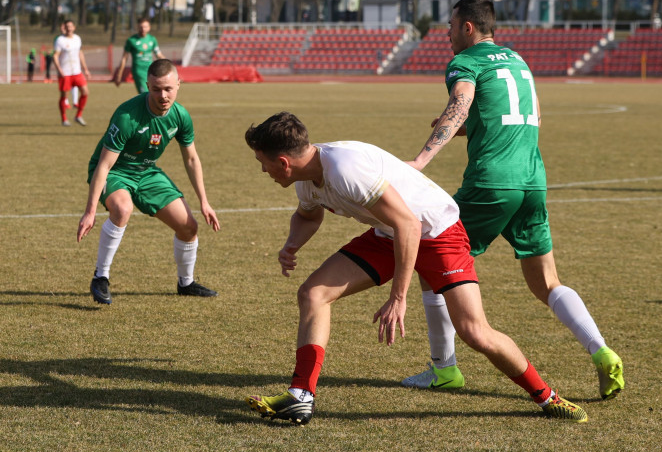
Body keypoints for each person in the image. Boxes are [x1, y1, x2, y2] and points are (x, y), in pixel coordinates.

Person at [242, 112, 588, 426]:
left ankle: (547, 396)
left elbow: (410, 224)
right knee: (314, 294)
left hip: (438, 233)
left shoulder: (345, 168)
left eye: (263, 163)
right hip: (390, 233)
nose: (263, 170)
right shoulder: (306, 178)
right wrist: (292, 244)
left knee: (475, 332)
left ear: (284, 162)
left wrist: (399, 297)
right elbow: (308, 215)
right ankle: (301, 397)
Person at [405, 0, 623, 400]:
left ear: (467, 27)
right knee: (547, 282)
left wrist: (421, 159)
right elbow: (530, 116)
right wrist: (466, 130)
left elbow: (461, 103)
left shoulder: (464, 63)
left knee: (430, 256)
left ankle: (444, 370)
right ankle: (602, 351)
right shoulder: (517, 61)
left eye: (451, 26)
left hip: (491, 184)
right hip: (532, 182)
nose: (448, 34)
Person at [77, 58, 220, 304]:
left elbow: (192, 160)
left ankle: (186, 283)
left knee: (189, 227)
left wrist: (204, 202)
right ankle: (101, 277)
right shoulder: (127, 116)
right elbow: (104, 164)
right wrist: (90, 211)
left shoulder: (180, 116)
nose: (163, 95)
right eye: (156, 89)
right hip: (115, 171)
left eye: (168, 89)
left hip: (146, 172)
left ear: (178, 84)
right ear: (147, 86)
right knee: (122, 209)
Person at [52, 20, 90, 127]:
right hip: (65, 73)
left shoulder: (77, 39)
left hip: (77, 72)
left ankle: (78, 115)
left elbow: (80, 53)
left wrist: (85, 69)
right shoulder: (60, 40)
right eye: (67, 26)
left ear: (74, 27)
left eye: (71, 26)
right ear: (65, 28)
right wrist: (59, 70)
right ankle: (64, 119)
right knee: (64, 96)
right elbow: (55, 56)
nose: (69, 28)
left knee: (85, 92)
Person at [114, 17, 164, 93]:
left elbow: (159, 55)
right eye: (141, 27)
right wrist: (119, 75)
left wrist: (170, 67)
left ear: (149, 28)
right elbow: (124, 58)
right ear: (138, 27)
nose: (143, 29)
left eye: (145, 27)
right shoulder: (131, 40)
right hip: (138, 71)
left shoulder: (152, 39)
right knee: (145, 94)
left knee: (153, 94)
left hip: (151, 71)